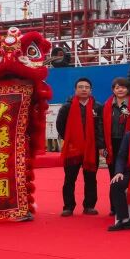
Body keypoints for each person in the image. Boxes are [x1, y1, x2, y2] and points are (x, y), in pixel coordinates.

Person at [56, 78, 102, 216]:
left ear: (91, 90)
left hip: (91, 148)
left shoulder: (97, 107)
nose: (84, 89)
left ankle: (89, 206)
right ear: (75, 90)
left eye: (87, 87)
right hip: (73, 148)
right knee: (70, 178)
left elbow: (101, 127)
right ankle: (68, 206)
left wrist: (99, 144)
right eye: (80, 87)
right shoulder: (67, 107)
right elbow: (60, 125)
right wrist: (70, 139)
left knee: (91, 178)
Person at [100, 78, 130, 213]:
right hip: (111, 144)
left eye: (123, 87)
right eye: (117, 87)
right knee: (113, 174)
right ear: (113, 90)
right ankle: (114, 207)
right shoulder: (107, 105)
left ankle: (129, 205)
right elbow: (101, 126)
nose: (120, 90)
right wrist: (102, 145)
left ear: (128, 89)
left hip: (129, 143)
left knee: (128, 173)